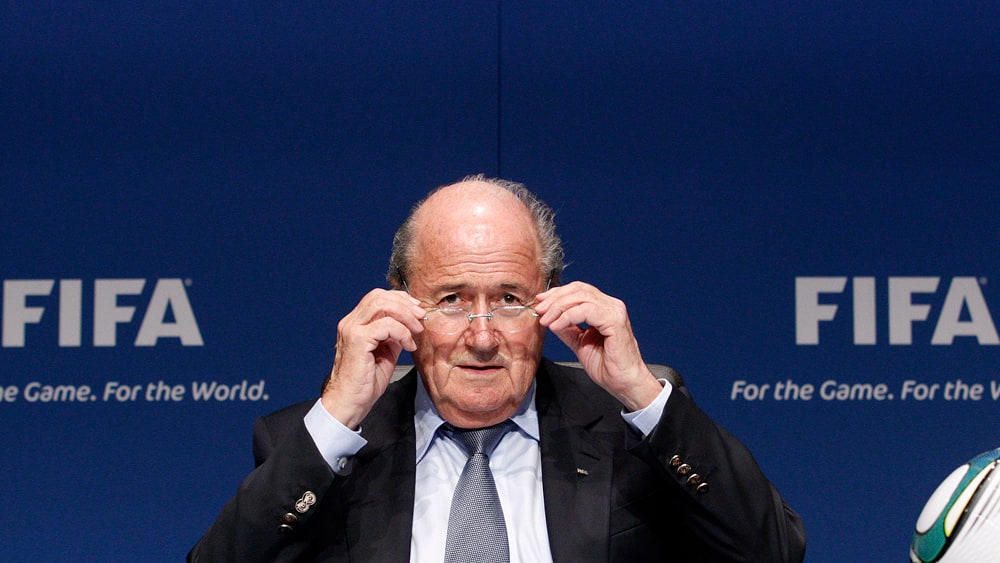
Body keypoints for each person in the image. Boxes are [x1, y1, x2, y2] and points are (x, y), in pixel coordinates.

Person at [189, 175, 806, 562]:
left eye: (509, 299)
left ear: (549, 300)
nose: (482, 337)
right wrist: (338, 416)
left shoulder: (631, 428)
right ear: (402, 304)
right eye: (451, 299)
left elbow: (773, 552)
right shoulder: (318, 446)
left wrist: (641, 392)